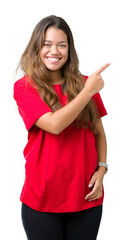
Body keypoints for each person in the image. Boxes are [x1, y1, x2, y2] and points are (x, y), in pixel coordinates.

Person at [13, 15, 110, 240]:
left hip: (86, 196)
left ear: (69, 49)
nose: (54, 51)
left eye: (61, 45)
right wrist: (88, 91)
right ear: (36, 48)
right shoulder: (25, 87)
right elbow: (55, 125)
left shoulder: (85, 82)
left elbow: (99, 133)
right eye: (47, 44)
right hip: (42, 200)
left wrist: (102, 169)